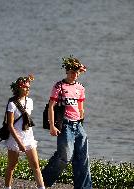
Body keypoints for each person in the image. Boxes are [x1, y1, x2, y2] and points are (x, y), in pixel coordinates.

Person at [42, 56, 92, 189]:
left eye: (76, 72)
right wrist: (52, 126)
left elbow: (81, 107)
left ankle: (84, 187)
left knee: (83, 158)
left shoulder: (80, 87)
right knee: (65, 157)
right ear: (67, 71)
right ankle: (43, 181)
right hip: (65, 125)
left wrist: (81, 122)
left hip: (78, 125)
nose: (74, 75)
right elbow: (51, 106)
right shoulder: (59, 86)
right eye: (71, 72)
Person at [4, 75, 45, 189]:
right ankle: (7, 187)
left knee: (35, 164)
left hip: (28, 136)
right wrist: (19, 143)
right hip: (15, 137)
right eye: (26, 87)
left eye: (29, 87)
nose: (28, 89)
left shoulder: (30, 101)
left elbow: (26, 120)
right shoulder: (12, 104)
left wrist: (25, 141)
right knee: (12, 165)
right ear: (19, 88)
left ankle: (42, 187)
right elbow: (10, 125)